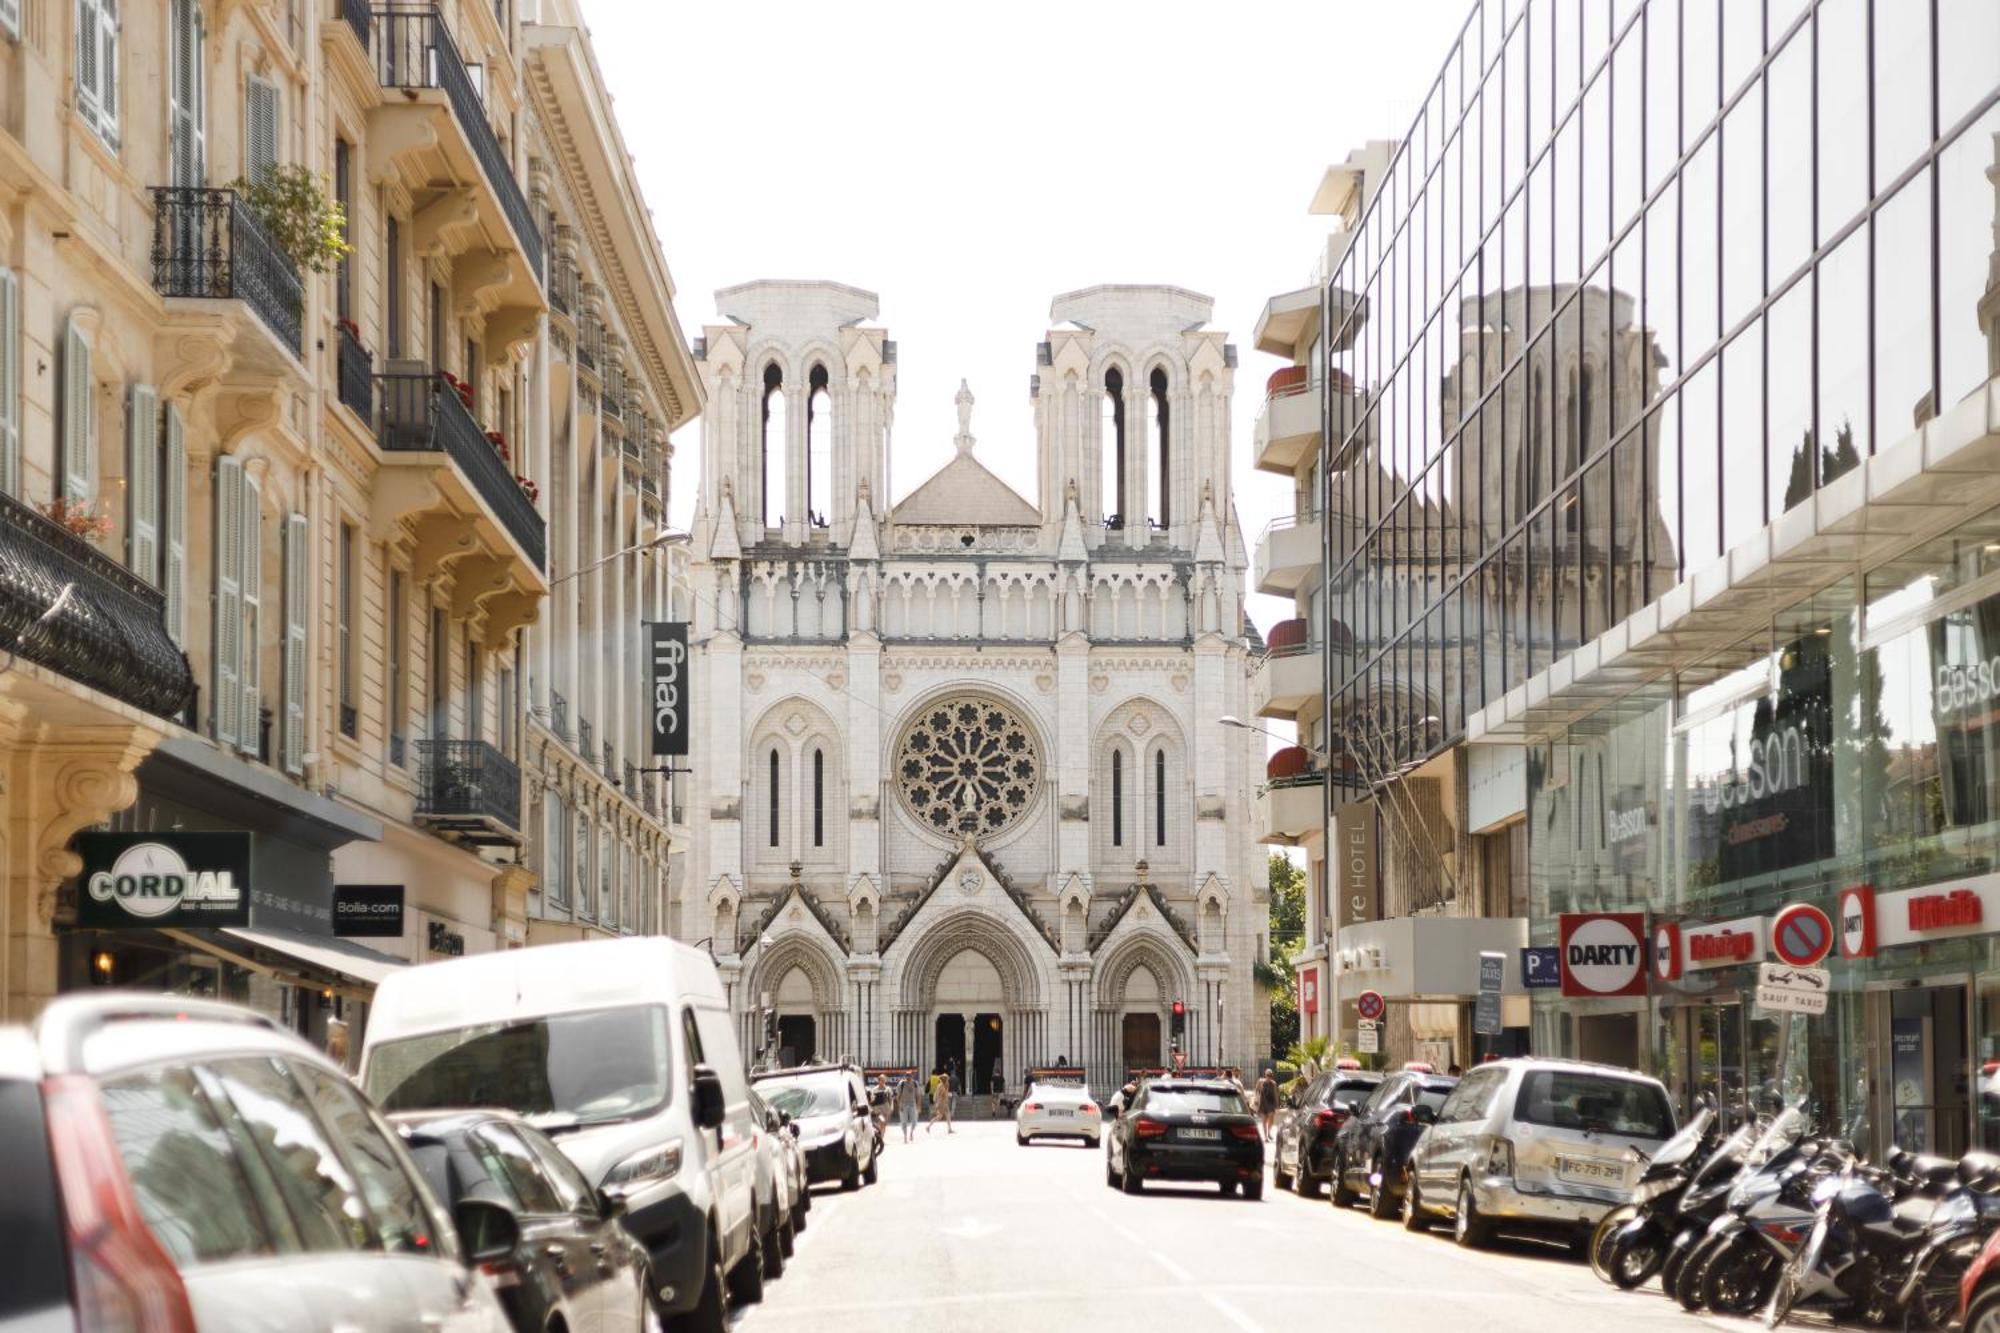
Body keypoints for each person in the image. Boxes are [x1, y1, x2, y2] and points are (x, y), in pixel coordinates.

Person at [895, 1071, 921, 1143]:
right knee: (904, 1121)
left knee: (914, 1121)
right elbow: (898, 1096)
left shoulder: (915, 1084)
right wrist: (899, 1105)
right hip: (903, 1104)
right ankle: (905, 1136)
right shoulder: (901, 1084)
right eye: (907, 1075)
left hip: (912, 1104)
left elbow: (918, 1095)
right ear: (905, 1076)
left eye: (909, 1075)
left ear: (912, 1076)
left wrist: (919, 1106)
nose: (908, 1077)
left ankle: (911, 1133)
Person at [1255, 1068, 1280, 1141]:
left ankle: (1269, 1132)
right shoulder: (1260, 1081)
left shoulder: (1274, 1084)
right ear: (1265, 1075)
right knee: (1264, 1120)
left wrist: (1277, 1105)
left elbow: (1276, 1094)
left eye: (1270, 1075)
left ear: (1272, 1076)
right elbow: (1256, 1090)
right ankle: (1266, 1137)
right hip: (1263, 1103)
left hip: (1271, 1103)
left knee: (1271, 1119)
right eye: (1267, 1075)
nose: (1269, 1077)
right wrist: (1256, 1099)